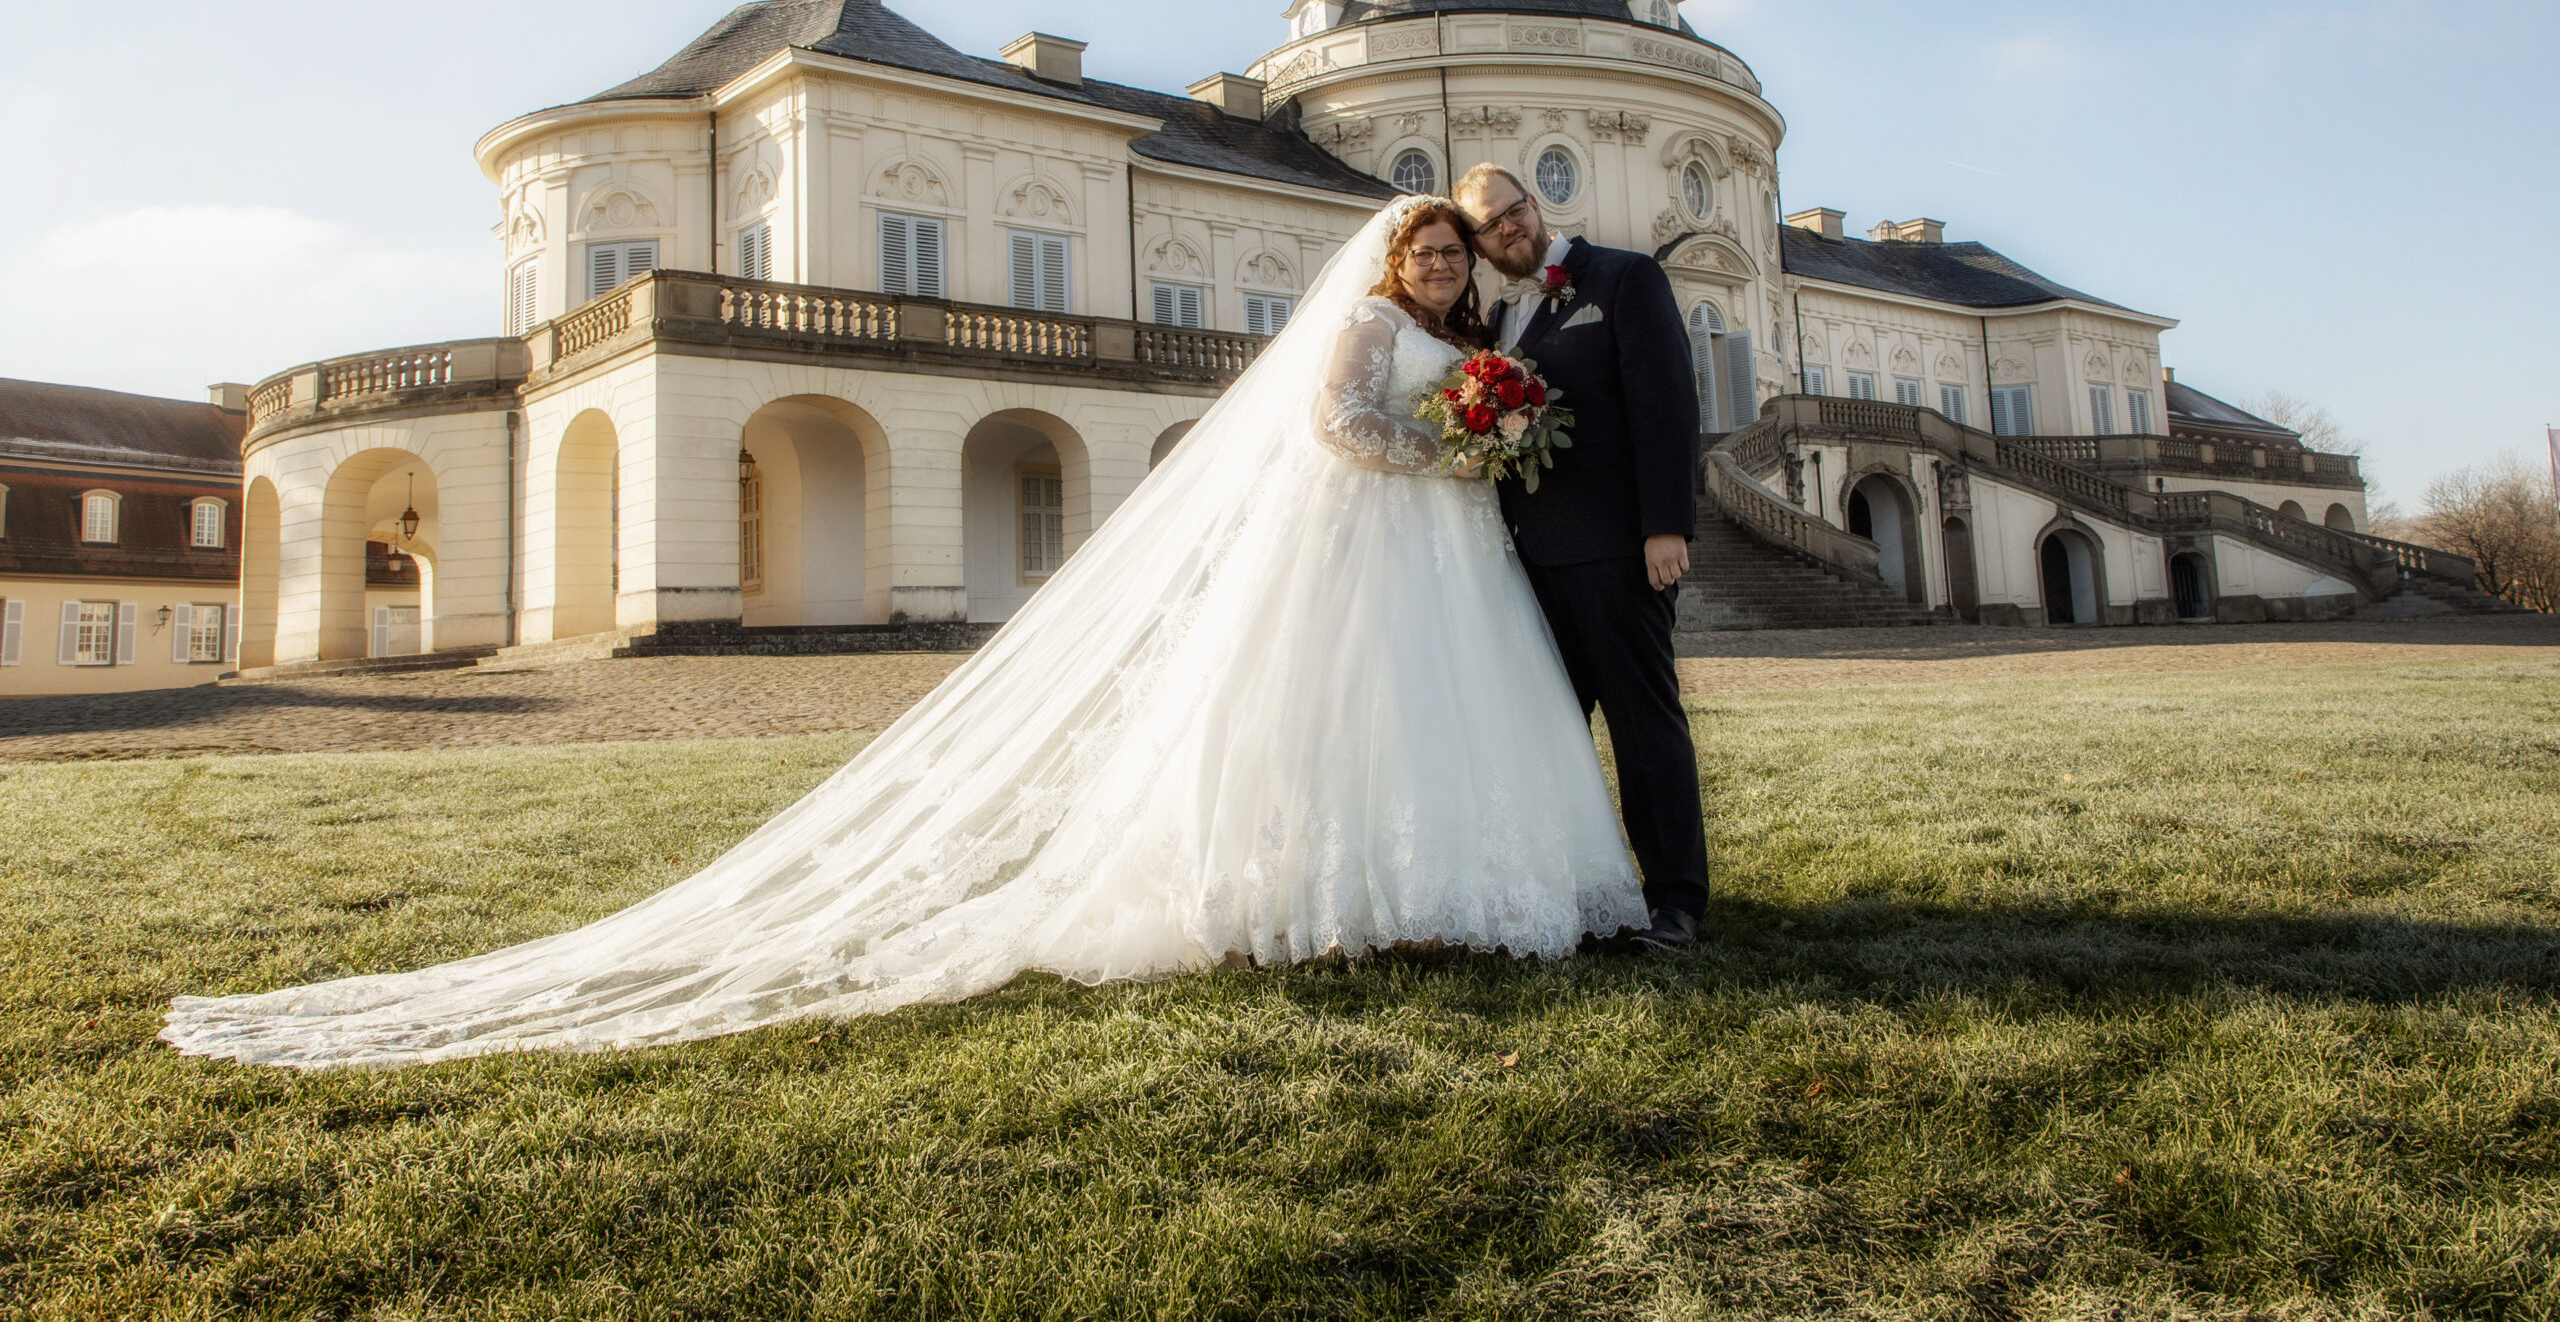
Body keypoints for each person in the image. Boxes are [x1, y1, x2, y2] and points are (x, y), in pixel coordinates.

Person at [161, 196, 1647, 1070]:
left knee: (1441, 707)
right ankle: (1329, 890)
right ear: (1397, 262)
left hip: (1449, 545)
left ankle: (1448, 887)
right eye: (1436, 250)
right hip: (1380, 525)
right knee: (1342, 699)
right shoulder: (1369, 330)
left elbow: (1466, 413)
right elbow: (1332, 424)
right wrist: (1440, 456)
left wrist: (1475, 441)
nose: (1451, 265)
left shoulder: (1468, 346)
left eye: (1463, 251)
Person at [1450, 162, 1709, 951]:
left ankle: (1675, 902)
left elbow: (1666, 401)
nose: (1507, 229)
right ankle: (1576, 893)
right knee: (1549, 735)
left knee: (1642, 725)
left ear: (1534, 202)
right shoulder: (1497, 321)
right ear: (1482, 247)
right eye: (1488, 227)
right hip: (1527, 564)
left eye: (1511, 211)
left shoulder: (1624, 278)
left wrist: (1666, 524)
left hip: (1617, 553)